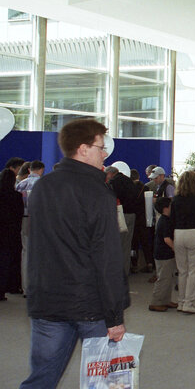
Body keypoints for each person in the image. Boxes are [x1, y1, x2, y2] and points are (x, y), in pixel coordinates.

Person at [21, 119, 129, 388]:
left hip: (46, 301)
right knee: (102, 381)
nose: (105, 154)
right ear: (83, 149)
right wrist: (115, 317)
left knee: (41, 378)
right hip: (89, 305)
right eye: (101, 148)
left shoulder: (42, 187)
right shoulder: (98, 193)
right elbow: (108, 259)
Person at [170, 171, 195, 314]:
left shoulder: (175, 199)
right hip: (194, 232)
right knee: (193, 271)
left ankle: (181, 302)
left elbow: (172, 218)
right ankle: (188, 302)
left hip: (179, 233)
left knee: (182, 271)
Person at [15, 160, 43, 296]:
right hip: (38, 221)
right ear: (41, 170)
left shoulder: (20, 184)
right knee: (38, 254)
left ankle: (25, 287)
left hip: (22, 220)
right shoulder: (42, 185)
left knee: (25, 253)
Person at [148, 197, 177, 312]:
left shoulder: (165, 219)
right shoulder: (164, 221)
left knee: (168, 278)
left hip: (164, 253)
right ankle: (156, 302)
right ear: (166, 208)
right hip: (163, 254)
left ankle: (165, 300)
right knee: (163, 278)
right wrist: (175, 248)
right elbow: (166, 239)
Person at [0, 168, 24, 300]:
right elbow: (19, 215)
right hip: (11, 232)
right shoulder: (16, 196)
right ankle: (10, 286)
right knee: (10, 260)